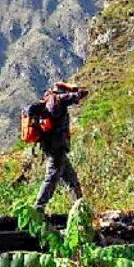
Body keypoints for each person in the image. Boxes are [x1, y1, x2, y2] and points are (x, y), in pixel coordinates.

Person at [34, 82, 89, 212]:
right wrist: (73, 88)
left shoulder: (48, 101)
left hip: (54, 149)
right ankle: (38, 209)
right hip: (57, 150)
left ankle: (80, 208)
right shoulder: (60, 99)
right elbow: (80, 94)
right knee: (51, 179)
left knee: (72, 180)